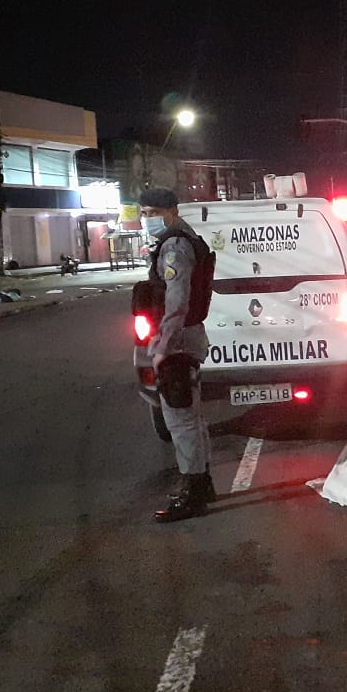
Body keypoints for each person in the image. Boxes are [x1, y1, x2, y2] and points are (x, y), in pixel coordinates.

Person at [138, 187, 214, 522]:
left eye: (153, 212)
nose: (147, 219)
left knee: (180, 419)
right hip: (186, 338)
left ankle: (193, 493)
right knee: (192, 417)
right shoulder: (183, 238)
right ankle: (203, 484)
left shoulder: (175, 246)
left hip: (178, 341)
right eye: (144, 213)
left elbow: (177, 301)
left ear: (172, 211)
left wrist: (162, 348)